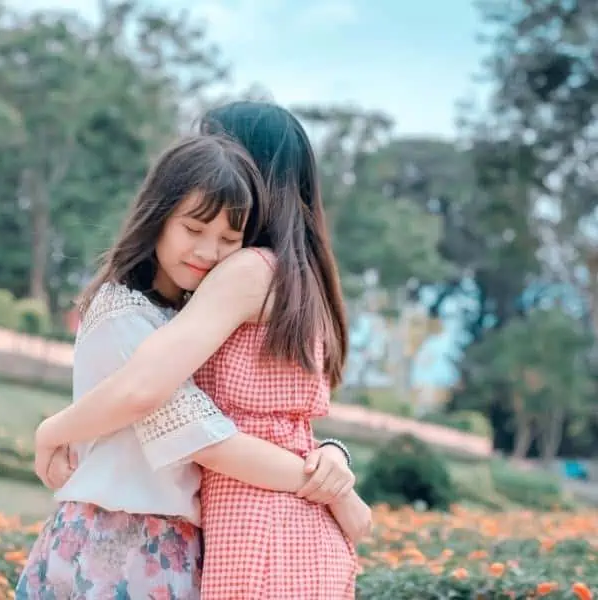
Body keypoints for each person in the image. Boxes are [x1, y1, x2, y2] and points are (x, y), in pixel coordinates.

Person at [35, 102, 371, 599]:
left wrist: (50, 430)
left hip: (260, 531)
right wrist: (332, 472)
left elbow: (155, 396)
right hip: (275, 528)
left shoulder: (248, 270)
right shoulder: (291, 277)